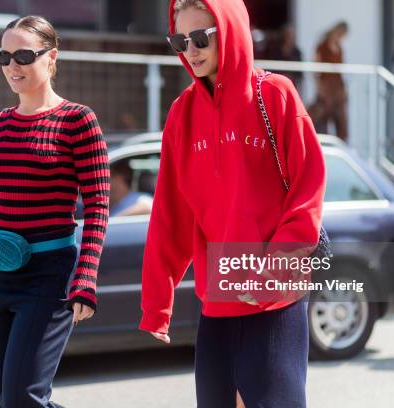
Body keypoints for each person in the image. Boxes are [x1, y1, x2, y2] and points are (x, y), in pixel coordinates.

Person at [140, 0, 326, 407]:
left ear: (232, 30)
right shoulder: (181, 114)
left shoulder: (275, 93)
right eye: (179, 39)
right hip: (219, 299)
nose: (190, 49)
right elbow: (170, 210)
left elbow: (308, 189)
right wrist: (157, 300)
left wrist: (273, 271)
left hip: (276, 299)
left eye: (202, 36)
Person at [0, 15, 109, 408]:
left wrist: (85, 277)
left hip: (47, 278)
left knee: (21, 398)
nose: (12, 65)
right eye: (4, 56)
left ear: (51, 58)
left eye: (23, 55)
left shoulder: (77, 120)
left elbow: (98, 206)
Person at [308, 21, 349, 142]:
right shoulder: (322, 46)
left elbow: (340, 70)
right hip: (326, 87)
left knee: (341, 120)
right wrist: (319, 88)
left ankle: (341, 145)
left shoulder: (340, 48)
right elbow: (317, 69)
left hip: (338, 87)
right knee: (323, 120)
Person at [265, 24, 304, 91]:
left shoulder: (297, 52)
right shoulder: (275, 51)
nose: (290, 37)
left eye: (291, 35)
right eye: (287, 34)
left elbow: (299, 73)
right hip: (278, 84)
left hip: (292, 85)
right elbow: (271, 69)